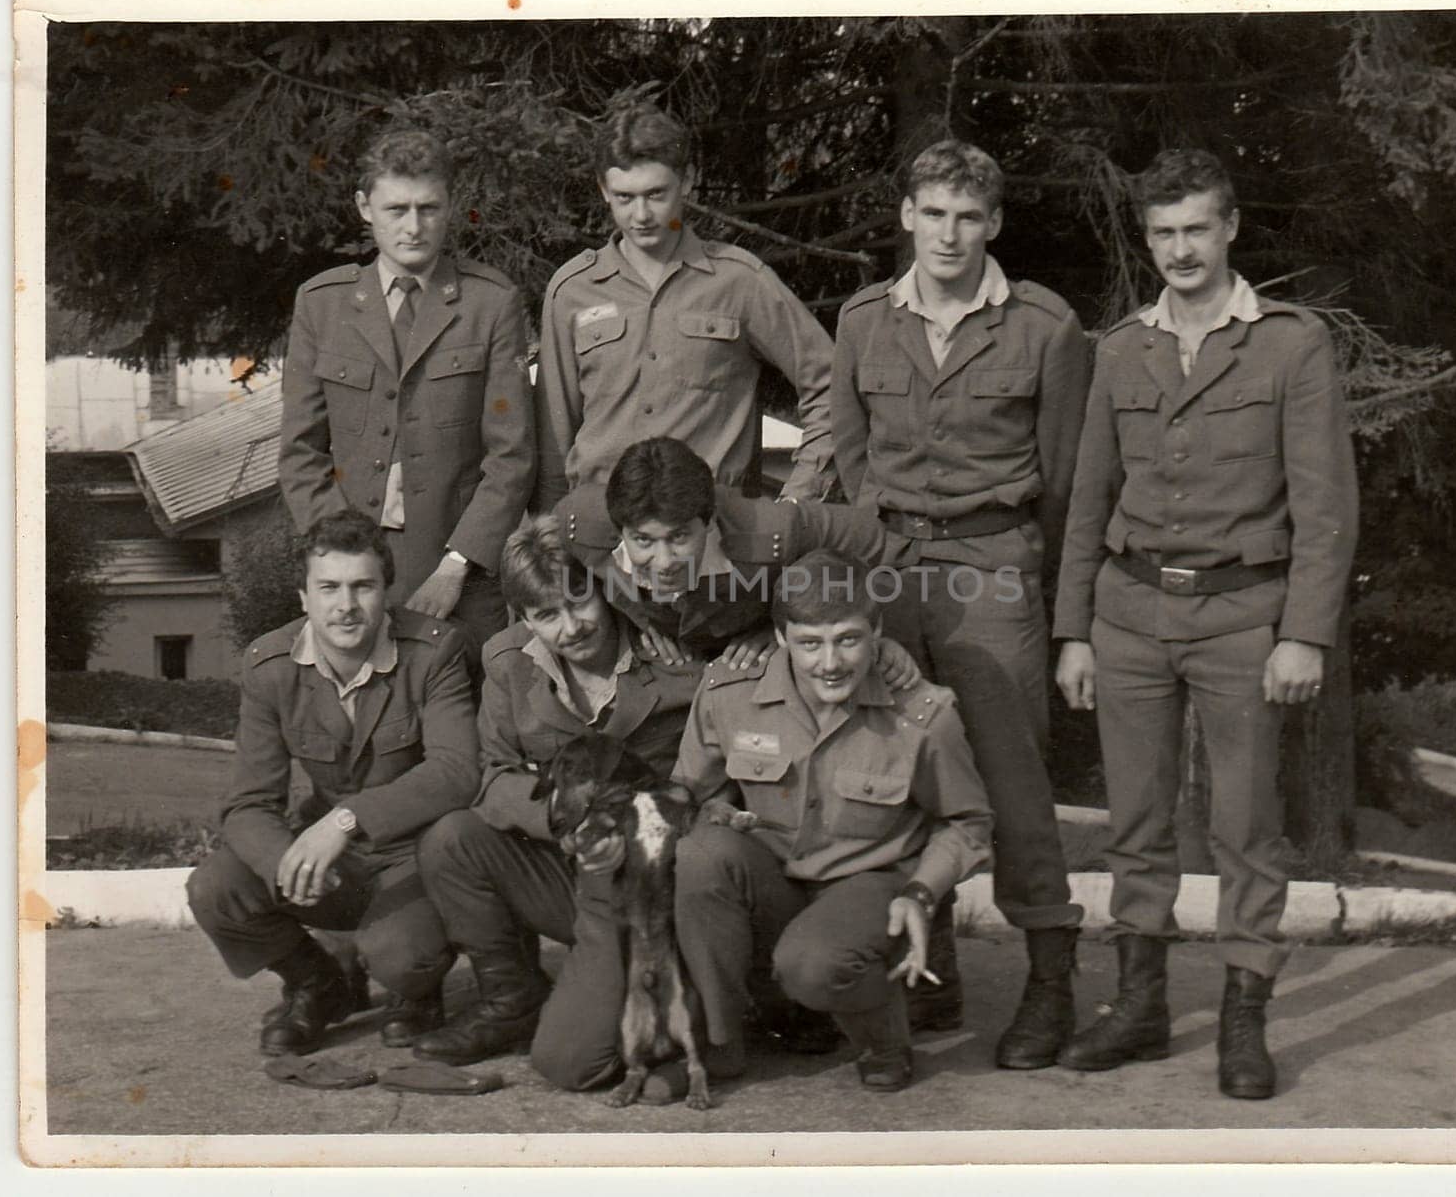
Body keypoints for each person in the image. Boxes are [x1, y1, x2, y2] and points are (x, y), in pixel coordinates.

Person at [1051, 149, 1359, 1099]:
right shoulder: (1119, 350)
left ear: (1230, 229)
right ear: (1147, 240)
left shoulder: (1288, 345)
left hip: (1242, 618)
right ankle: (1140, 1007)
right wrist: (1074, 630)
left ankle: (1242, 1018)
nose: (1180, 250)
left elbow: (1325, 503)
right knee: (1135, 823)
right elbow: (1087, 499)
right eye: (1162, 233)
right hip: (1131, 614)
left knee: (1244, 826)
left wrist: (1305, 632)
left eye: (1196, 229)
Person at [829, 139, 1091, 1067]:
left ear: (995, 225)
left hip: (993, 569)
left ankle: (1050, 978)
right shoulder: (863, 322)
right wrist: (884, 555)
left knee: (1012, 779)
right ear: (907, 215)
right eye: (934, 213)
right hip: (892, 569)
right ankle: (924, 972)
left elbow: (1064, 483)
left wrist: (1054, 608)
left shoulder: (1045, 328)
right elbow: (854, 463)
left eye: (969, 216)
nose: (950, 234)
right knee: (891, 767)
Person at [670, 550, 994, 1095]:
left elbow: (968, 823)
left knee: (813, 963)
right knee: (699, 855)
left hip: (868, 885)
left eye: (848, 639)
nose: (830, 662)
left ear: (878, 632)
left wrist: (921, 893)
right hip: (774, 877)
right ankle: (721, 1041)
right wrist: (711, 812)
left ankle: (882, 1034)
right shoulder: (729, 694)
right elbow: (686, 791)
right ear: (780, 639)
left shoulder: (920, 715)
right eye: (809, 643)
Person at [410, 513, 710, 1085]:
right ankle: (512, 997)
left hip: (662, 883)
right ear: (524, 619)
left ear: (606, 589)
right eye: (547, 615)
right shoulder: (507, 663)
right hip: (577, 875)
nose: (571, 627)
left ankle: (696, 1014)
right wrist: (565, 818)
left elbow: (713, 772)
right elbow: (492, 775)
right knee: (453, 839)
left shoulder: (676, 655)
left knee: (575, 1062)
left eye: (580, 602)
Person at [186, 510, 478, 1056]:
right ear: (304, 598)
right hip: (331, 860)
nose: (346, 605)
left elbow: (456, 772)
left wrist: (346, 821)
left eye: (362, 586)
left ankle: (418, 991)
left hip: (412, 859)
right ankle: (318, 984)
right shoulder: (268, 666)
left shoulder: (434, 653)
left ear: (386, 591)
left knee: (404, 957)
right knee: (216, 888)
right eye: (329, 588)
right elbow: (250, 803)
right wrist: (285, 864)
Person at [279, 126, 534, 647]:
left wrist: (456, 567)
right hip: (348, 577)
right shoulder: (321, 304)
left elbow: (512, 456)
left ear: (449, 207)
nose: (414, 227)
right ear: (364, 207)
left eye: (428, 208)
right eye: (397, 209)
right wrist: (347, 565)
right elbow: (300, 451)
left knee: (460, 721)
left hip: (462, 575)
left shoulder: (490, 303)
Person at [533, 102, 836, 510]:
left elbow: (833, 387)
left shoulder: (740, 281)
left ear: (688, 180)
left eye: (656, 194)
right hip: (599, 535)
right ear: (603, 190)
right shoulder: (572, 290)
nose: (640, 215)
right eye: (624, 197)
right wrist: (553, 536)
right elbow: (553, 439)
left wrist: (797, 502)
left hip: (713, 533)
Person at [554, 436, 891, 665]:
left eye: (680, 537)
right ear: (618, 530)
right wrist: (629, 627)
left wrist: (786, 627)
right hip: (662, 663)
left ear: (709, 521)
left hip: (748, 658)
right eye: (643, 541)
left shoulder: (771, 531)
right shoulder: (577, 523)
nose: (664, 562)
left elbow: (876, 542)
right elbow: (564, 581)